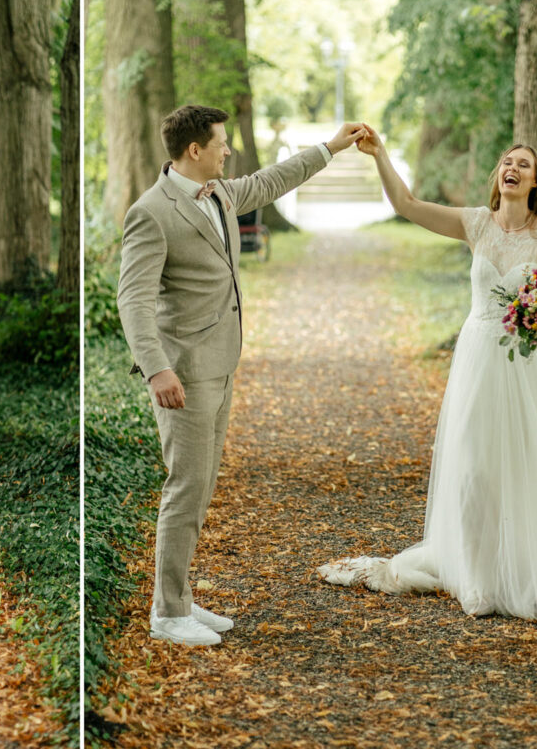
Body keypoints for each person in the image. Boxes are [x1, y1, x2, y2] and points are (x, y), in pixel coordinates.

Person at [318, 127, 537, 620]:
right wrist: (380, 156)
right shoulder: (477, 225)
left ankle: (518, 571)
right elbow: (408, 204)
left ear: (535, 182)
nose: (513, 168)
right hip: (479, 358)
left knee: (522, 470)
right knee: (474, 467)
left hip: (528, 369)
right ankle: (477, 579)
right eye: (508, 161)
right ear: (498, 176)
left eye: (524, 164)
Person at [118, 104, 366, 646]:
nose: (228, 150)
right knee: (185, 487)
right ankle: (167, 613)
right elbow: (133, 299)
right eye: (221, 143)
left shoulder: (222, 194)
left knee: (202, 486)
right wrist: (157, 369)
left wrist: (331, 147)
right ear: (194, 150)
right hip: (182, 373)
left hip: (221, 362)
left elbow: (272, 180)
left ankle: (179, 596)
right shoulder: (151, 212)